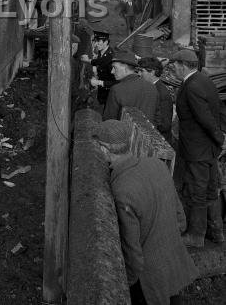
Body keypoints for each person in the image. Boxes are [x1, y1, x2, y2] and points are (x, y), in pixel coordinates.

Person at [93, 120, 198, 305]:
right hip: (174, 262)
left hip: (150, 279)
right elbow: (180, 220)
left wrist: (125, 285)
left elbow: (132, 252)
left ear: (104, 149)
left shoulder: (121, 190)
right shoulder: (157, 165)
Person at [171, 49, 226, 247]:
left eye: (175, 65)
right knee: (211, 189)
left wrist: (220, 138)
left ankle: (195, 236)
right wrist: (219, 139)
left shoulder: (192, 86)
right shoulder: (205, 79)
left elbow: (205, 118)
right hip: (208, 149)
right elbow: (219, 109)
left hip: (197, 149)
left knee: (197, 191)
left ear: (183, 65)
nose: (173, 69)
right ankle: (217, 233)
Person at [104, 52, 159, 125]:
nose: (112, 72)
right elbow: (157, 117)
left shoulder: (117, 90)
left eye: (114, 67)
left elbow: (109, 121)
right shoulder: (152, 87)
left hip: (123, 134)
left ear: (125, 68)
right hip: (146, 135)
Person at [138, 57, 173, 143]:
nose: (139, 74)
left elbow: (165, 124)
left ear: (152, 72)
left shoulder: (162, 93)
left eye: (142, 71)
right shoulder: (148, 87)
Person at [80, 30, 116, 112]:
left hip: (109, 94)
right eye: (95, 41)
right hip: (101, 92)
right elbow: (99, 62)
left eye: (99, 41)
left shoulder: (109, 57)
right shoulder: (101, 52)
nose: (96, 44)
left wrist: (99, 82)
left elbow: (116, 82)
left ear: (106, 42)